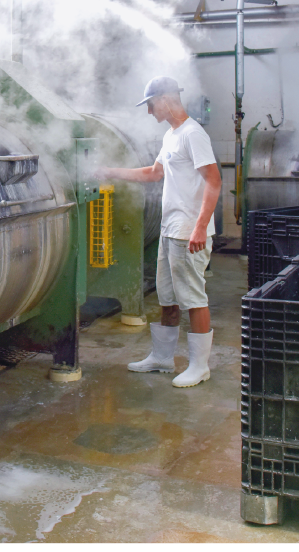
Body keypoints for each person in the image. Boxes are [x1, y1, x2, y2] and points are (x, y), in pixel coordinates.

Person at [94, 76, 222, 387]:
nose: (150, 111)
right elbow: (154, 173)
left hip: (188, 230)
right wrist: (109, 172)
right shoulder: (171, 136)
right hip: (170, 229)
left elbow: (214, 181)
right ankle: (163, 358)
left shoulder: (193, 134)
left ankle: (199, 366)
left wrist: (200, 227)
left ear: (165, 99)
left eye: (151, 104)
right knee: (167, 297)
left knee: (193, 298)